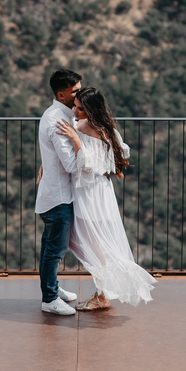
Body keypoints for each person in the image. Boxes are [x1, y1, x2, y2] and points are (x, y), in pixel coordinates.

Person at [55, 88, 156, 310]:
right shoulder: (81, 123)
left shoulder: (101, 131)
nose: (76, 111)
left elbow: (92, 167)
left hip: (94, 193)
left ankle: (103, 294)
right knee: (77, 239)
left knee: (94, 244)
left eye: (81, 109)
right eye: (75, 107)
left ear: (91, 110)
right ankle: (104, 290)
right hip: (84, 191)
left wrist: (75, 139)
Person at [36, 69, 83, 316]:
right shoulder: (58, 121)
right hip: (59, 197)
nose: (80, 94)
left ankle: (51, 287)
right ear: (62, 93)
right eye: (75, 91)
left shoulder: (59, 114)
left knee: (50, 247)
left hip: (55, 192)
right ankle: (50, 298)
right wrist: (80, 143)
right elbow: (72, 165)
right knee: (55, 250)